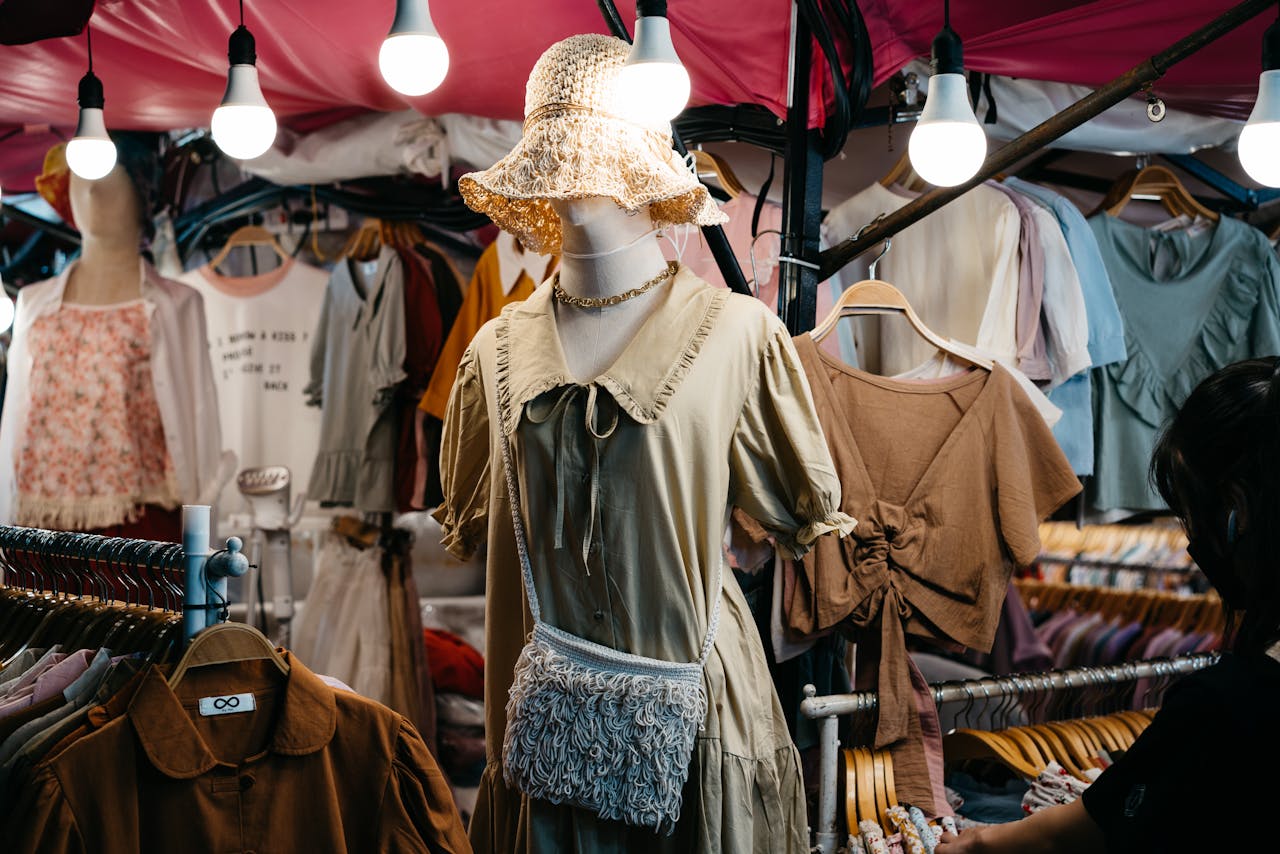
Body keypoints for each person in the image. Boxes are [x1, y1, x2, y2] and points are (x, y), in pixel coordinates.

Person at [937, 356, 1280, 852]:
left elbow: (1094, 826)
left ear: (1236, 512)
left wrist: (978, 845)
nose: (1191, 537)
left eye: (1190, 511)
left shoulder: (1225, 705)